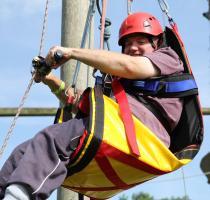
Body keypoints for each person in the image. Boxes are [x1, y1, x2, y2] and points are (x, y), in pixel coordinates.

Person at [0, 12, 184, 200]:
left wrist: (71, 53)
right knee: (23, 153)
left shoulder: (167, 58)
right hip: (123, 132)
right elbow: (78, 102)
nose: (133, 48)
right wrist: (50, 80)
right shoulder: (121, 85)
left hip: (146, 137)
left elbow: (130, 66)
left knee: (53, 139)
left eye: (140, 42)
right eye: (128, 44)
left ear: (157, 43)